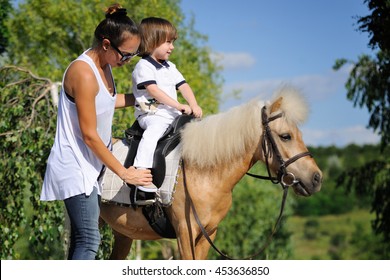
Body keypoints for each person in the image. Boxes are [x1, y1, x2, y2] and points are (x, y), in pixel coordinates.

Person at [40, 4, 152, 260]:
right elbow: (89, 135)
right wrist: (125, 173)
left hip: (92, 165)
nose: (127, 61)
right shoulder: (84, 73)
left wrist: (142, 99)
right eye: (125, 55)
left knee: (82, 242)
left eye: (133, 56)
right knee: (90, 240)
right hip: (75, 165)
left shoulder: (105, 66)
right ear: (105, 44)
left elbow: (106, 101)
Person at [131, 17, 203, 205]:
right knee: (153, 133)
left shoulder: (171, 67)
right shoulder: (143, 67)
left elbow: (184, 86)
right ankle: (141, 172)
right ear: (152, 41)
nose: (172, 47)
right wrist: (178, 106)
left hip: (171, 114)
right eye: (168, 42)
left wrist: (193, 104)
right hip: (151, 114)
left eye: (173, 42)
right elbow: (154, 91)